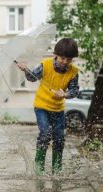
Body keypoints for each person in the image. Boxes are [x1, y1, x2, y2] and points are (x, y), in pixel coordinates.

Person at [17, 38, 79, 175]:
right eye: (62, 58)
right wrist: (26, 70)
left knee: (59, 138)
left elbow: (75, 91)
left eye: (69, 59)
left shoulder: (73, 72)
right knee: (45, 134)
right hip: (42, 107)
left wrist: (65, 94)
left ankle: (56, 169)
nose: (65, 62)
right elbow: (32, 77)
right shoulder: (45, 65)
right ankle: (39, 169)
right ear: (55, 54)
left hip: (58, 109)